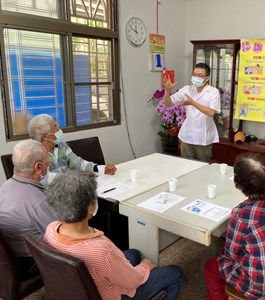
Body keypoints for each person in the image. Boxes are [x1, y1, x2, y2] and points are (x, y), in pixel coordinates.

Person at [43, 170, 183, 300]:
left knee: (134, 254)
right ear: (90, 207)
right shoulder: (101, 250)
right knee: (175, 273)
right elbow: (132, 281)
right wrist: (145, 267)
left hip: (80, 285)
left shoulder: (51, 229)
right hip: (110, 295)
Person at [204, 152, 265, 300]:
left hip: (260, 287)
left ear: (239, 184)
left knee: (212, 266)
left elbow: (230, 254)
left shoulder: (241, 214)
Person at [0, 140, 54, 279]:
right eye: (47, 157)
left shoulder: (5, 186)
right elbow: (59, 236)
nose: (49, 161)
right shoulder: (38, 201)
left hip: (7, 259)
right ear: (38, 167)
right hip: (28, 262)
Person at [28, 113, 117, 185]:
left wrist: (100, 169)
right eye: (56, 127)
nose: (59, 129)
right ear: (45, 136)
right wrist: (75, 178)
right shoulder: (34, 155)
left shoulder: (61, 146)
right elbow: (44, 180)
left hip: (68, 190)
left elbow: (77, 163)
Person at [162, 63, 220, 163]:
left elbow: (211, 112)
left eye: (200, 76)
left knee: (203, 167)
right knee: (186, 166)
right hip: (187, 136)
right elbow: (168, 103)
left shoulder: (213, 92)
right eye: (194, 74)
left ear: (207, 78)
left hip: (203, 138)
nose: (196, 77)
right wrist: (167, 91)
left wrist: (192, 103)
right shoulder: (187, 89)